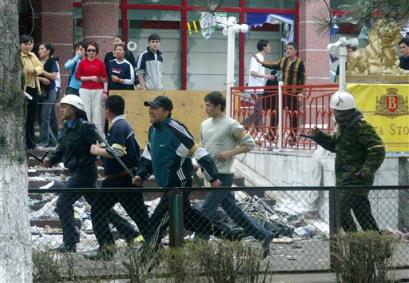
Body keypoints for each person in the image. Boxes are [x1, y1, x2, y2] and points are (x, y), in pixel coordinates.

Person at [132, 96, 244, 252]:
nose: (151, 111)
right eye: (150, 107)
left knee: (157, 220)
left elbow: (198, 151)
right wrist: (141, 174)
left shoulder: (175, 128)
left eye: (155, 108)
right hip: (167, 184)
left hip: (179, 184)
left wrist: (212, 177)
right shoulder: (152, 130)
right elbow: (149, 155)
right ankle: (228, 234)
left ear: (166, 111)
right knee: (190, 221)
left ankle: (147, 256)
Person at [44, 95, 139, 252]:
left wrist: (98, 152)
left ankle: (70, 242)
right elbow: (61, 150)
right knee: (99, 206)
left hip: (85, 173)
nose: (61, 110)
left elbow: (100, 147)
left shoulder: (86, 127)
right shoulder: (66, 128)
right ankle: (129, 232)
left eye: (65, 107)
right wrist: (50, 160)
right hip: (77, 172)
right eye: (61, 107)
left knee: (63, 203)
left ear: (74, 109)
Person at [198, 91, 274, 257]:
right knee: (234, 213)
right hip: (211, 175)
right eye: (206, 104)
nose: (206, 108)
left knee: (205, 212)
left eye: (209, 105)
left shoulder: (231, 124)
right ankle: (264, 235)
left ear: (218, 106)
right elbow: (203, 146)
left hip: (223, 176)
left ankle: (198, 249)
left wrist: (230, 153)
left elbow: (250, 144)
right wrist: (199, 163)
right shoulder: (204, 124)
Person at [307, 90, 385, 232]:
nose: (335, 114)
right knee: (363, 215)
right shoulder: (343, 127)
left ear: (346, 113)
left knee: (339, 210)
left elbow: (378, 149)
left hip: (356, 179)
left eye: (337, 112)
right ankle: (377, 246)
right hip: (345, 178)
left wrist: (366, 170)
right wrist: (319, 136)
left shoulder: (361, 127)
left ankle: (353, 241)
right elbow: (335, 145)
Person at [88, 95, 149, 260]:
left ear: (107, 110)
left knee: (139, 216)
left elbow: (117, 152)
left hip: (123, 179)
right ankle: (106, 249)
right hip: (115, 180)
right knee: (98, 209)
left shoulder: (118, 127)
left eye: (104, 108)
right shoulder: (121, 125)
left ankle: (153, 246)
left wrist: (96, 150)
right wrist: (103, 146)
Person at [256, 42, 306, 145]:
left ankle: (293, 138)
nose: (288, 50)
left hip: (293, 94)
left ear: (295, 51)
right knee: (275, 113)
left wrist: (300, 93)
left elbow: (303, 78)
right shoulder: (284, 60)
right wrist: (262, 62)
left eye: (291, 49)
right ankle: (271, 135)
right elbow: (274, 64)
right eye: (287, 48)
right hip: (282, 92)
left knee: (293, 116)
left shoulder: (299, 63)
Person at [75, 41, 108, 133]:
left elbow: (105, 78)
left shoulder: (100, 63)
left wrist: (105, 91)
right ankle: (86, 135)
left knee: (97, 113)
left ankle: (99, 137)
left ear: (96, 51)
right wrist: (90, 78)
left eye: (93, 50)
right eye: (89, 50)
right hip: (84, 89)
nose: (91, 52)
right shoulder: (82, 63)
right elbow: (77, 77)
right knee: (86, 112)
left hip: (98, 90)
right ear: (86, 51)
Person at [244, 39, 275, 133]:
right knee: (258, 111)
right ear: (264, 47)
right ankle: (243, 125)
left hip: (259, 88)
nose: (270, 48)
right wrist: (267, 76)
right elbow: (253, 72)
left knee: (259, 110)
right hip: (256, 88)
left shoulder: (260, 58)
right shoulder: (256, 57)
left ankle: (260, 131)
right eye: (269, 46)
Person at [20, 34, 43, 150]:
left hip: (33, 88)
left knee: (31, 116)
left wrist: (33, 70)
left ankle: (30, 142)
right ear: (20, 44)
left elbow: (40, 67)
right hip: (23, 89)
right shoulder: (19, 56)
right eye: (25, 44)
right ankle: (25, 141)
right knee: (24, 116)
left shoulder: (32, 55)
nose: (28, 46)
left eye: (30, 44)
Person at [37, 43, 58, 149]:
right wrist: (41, 78)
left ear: (48, 51)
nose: (39, 51)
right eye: (39, 49)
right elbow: (33, 75)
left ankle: (44, 141)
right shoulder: (37, 61)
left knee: (45, 117)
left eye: (42, 49)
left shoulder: (52, 61)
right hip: (39, 92)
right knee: (40, 118)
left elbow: (54, 76)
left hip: (50, 92)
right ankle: (53, 141)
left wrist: (43, 72)